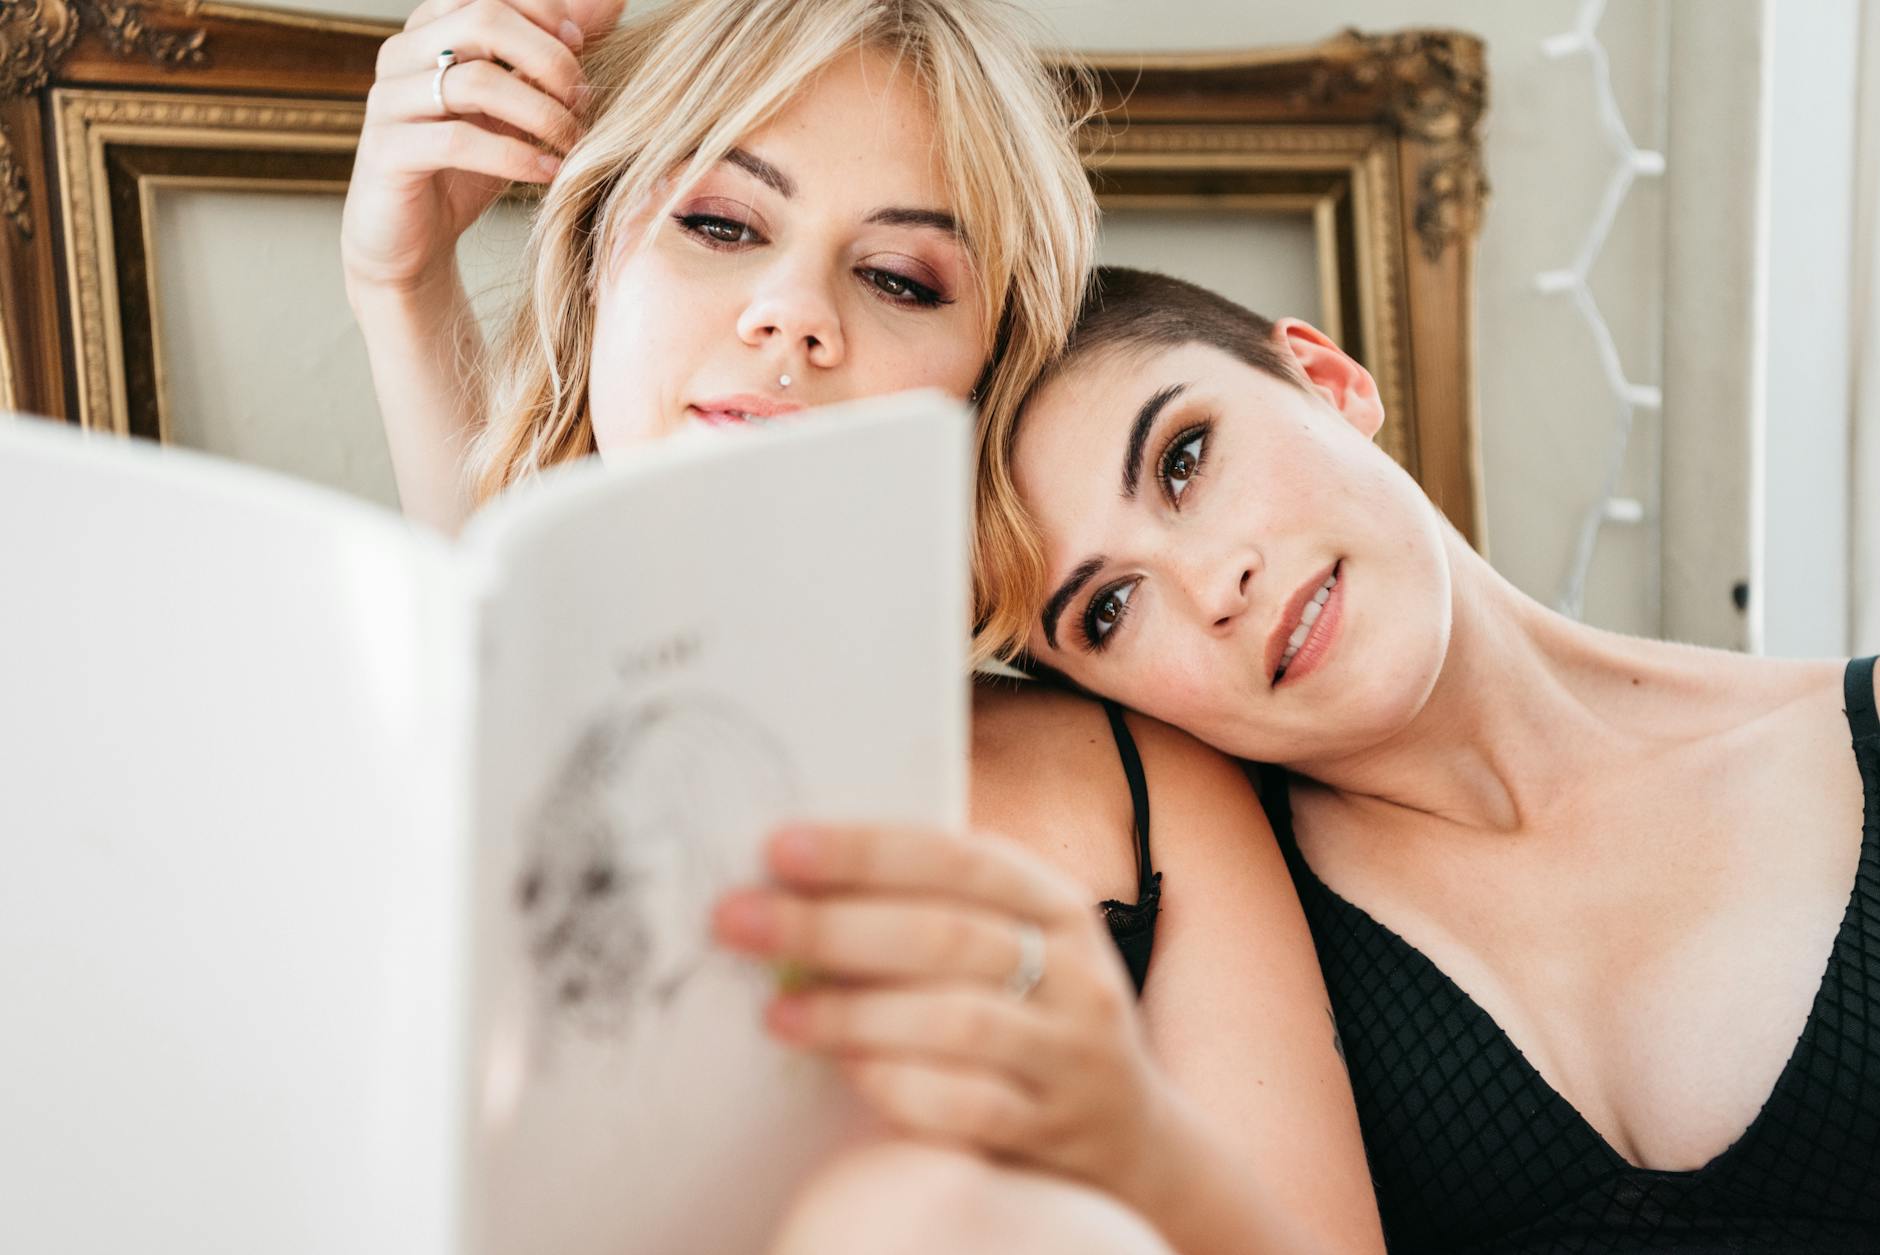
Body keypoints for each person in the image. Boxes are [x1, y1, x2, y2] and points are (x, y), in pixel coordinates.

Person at [341, 4, 1382, 1251]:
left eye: (897, 278)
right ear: (594, 270)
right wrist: (399, 288)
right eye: (720, 223)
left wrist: (1123, 1145)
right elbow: (524, 620)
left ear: (982, 383)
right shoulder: (414, 736)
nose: (792, 315)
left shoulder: (1146, 793)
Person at [976, 264, 1880, 1251]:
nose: (1211, 583)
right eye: (1108, 608)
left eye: (1183, 457)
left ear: (1328, 378)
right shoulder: (1212, 962)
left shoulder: (1855, 735)